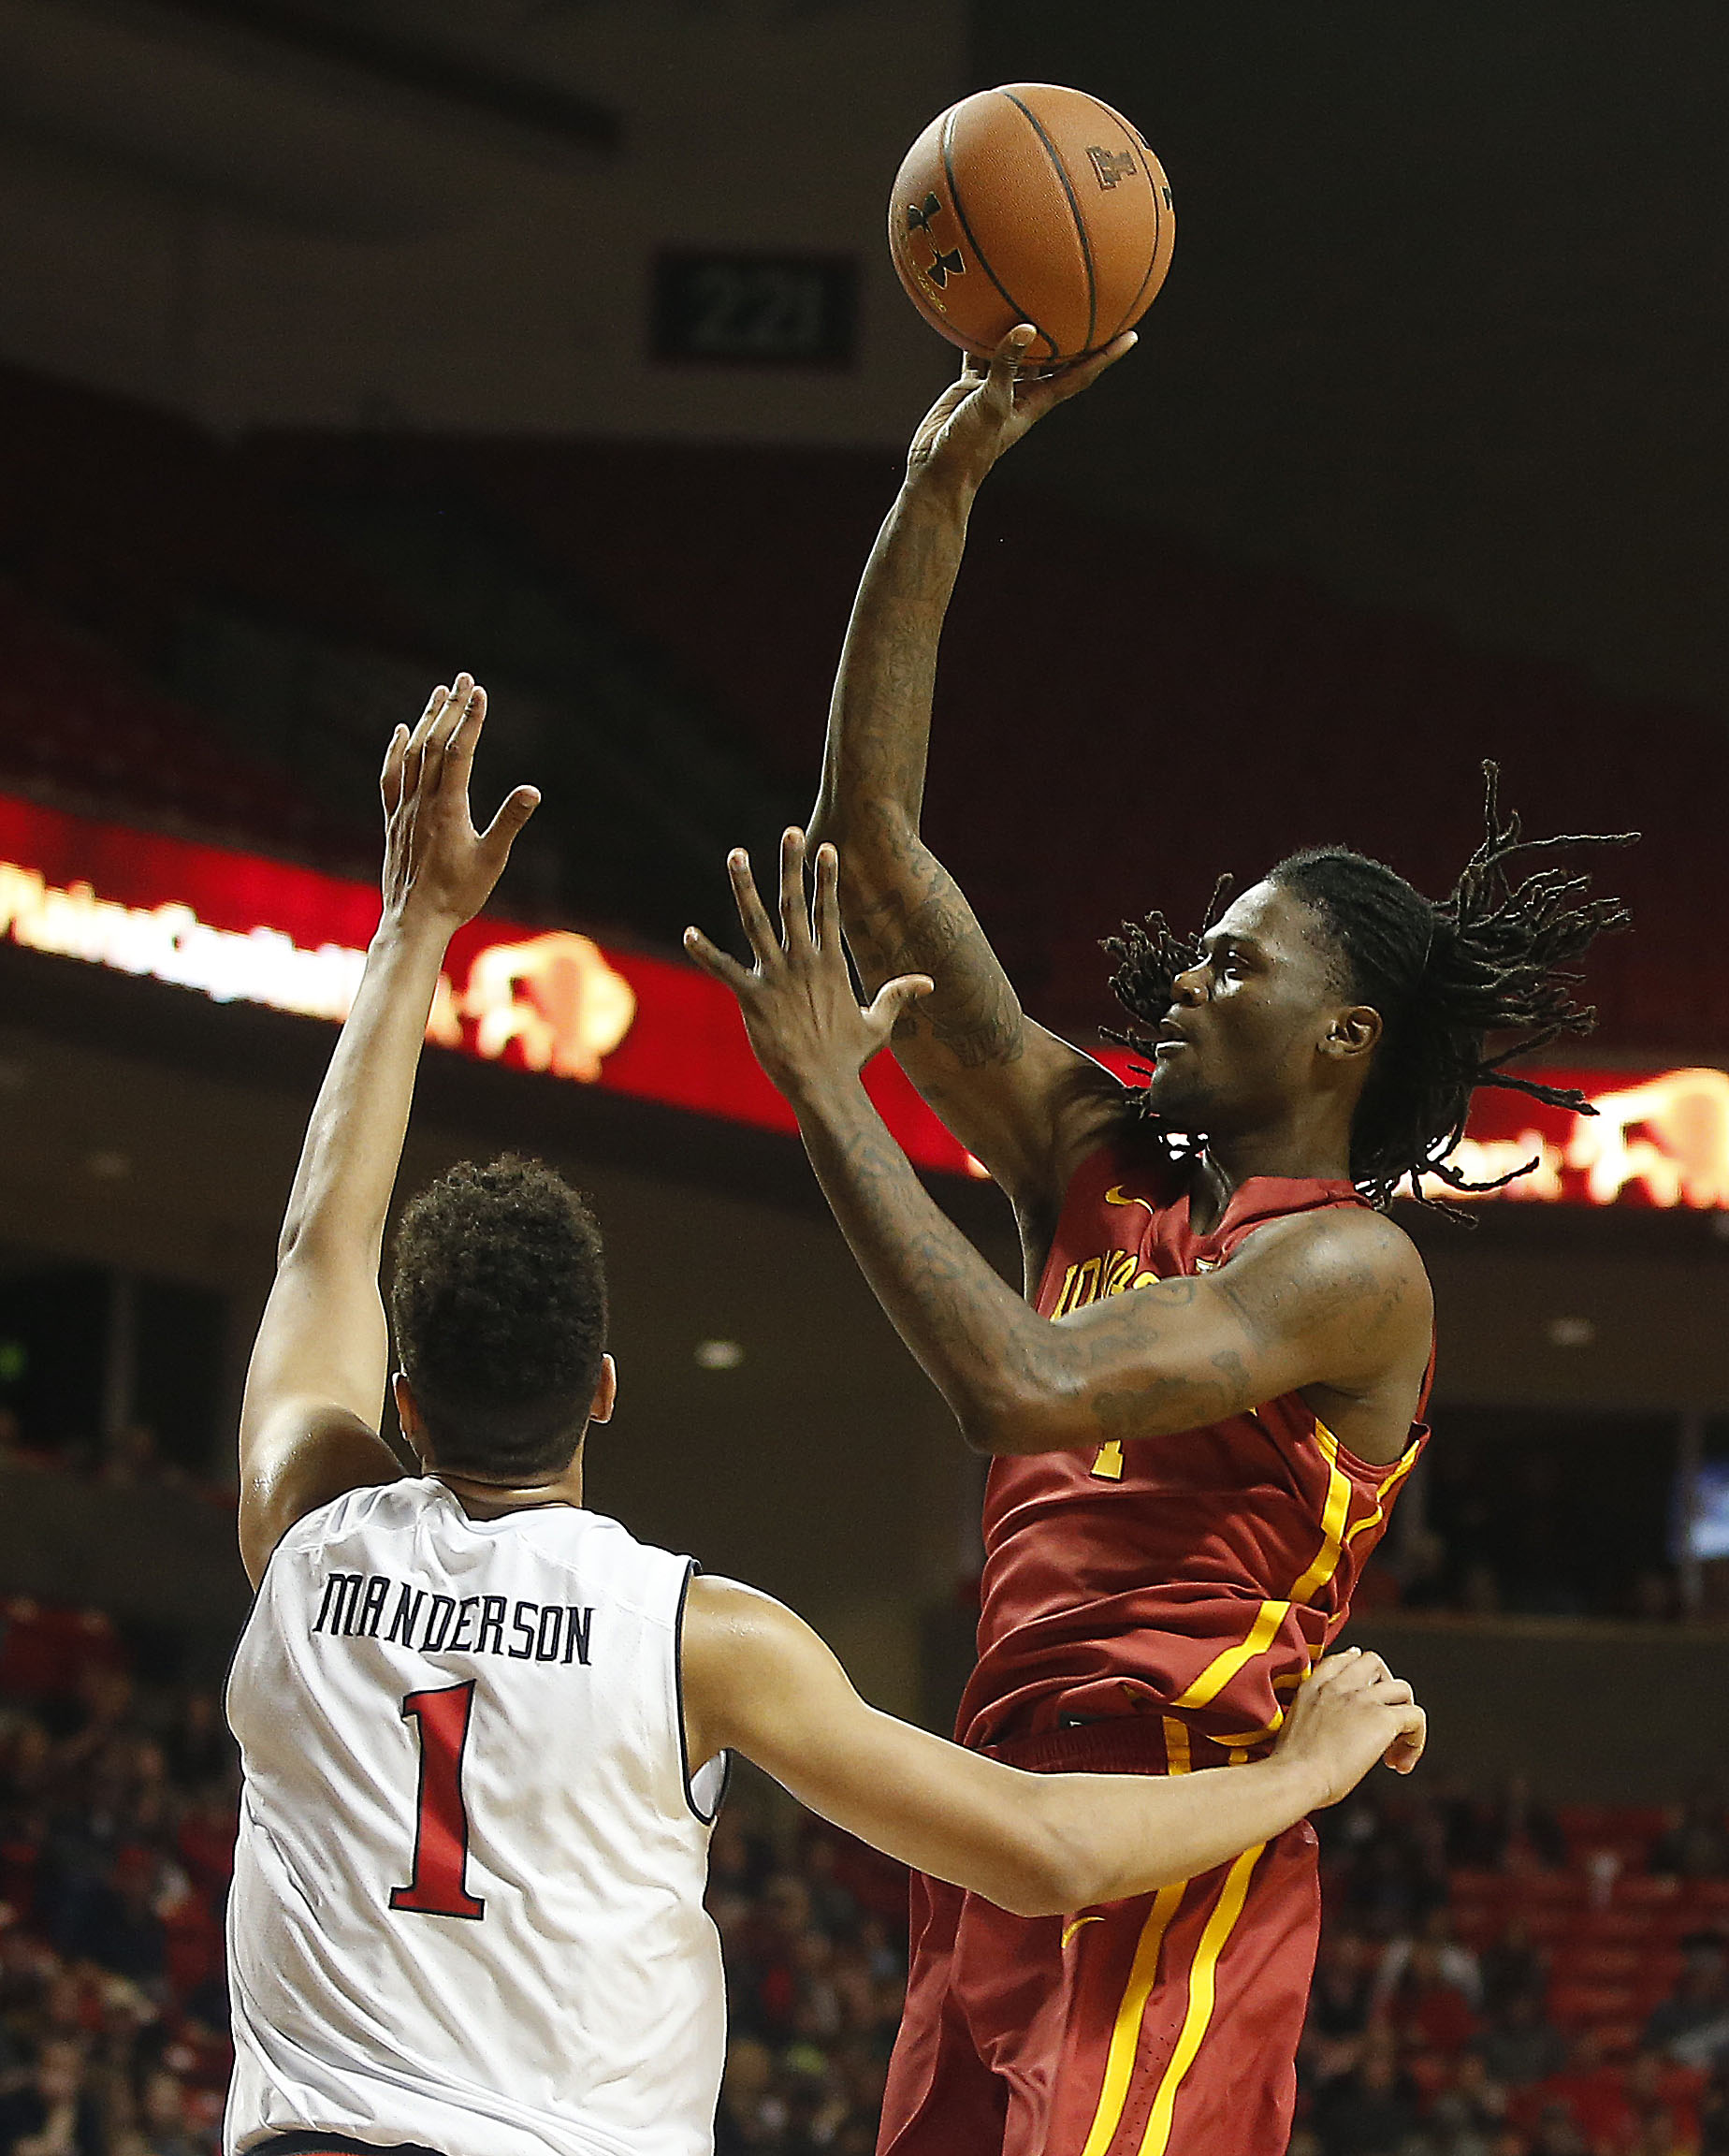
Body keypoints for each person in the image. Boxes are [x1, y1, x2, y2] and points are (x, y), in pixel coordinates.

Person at [222, 677, 1429, 2156]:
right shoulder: (699, 1637)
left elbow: (316, 1253)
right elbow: (1050, 1849)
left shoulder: (303, 1546)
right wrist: (1311, 1772)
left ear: (400, 1399)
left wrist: (412, 928)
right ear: (605, 1386)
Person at [683, 328, 1630, 2155]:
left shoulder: (1349, 1266)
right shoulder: (1111, 1150)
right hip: (992, 1807)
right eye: (1202, 939)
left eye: (1239, 955)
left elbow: (1016, 1381)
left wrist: (826, 1090)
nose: (1190, 966)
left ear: (1345, 1039)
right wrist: (935, 491)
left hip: (1177, 1821)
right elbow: (871, 847)